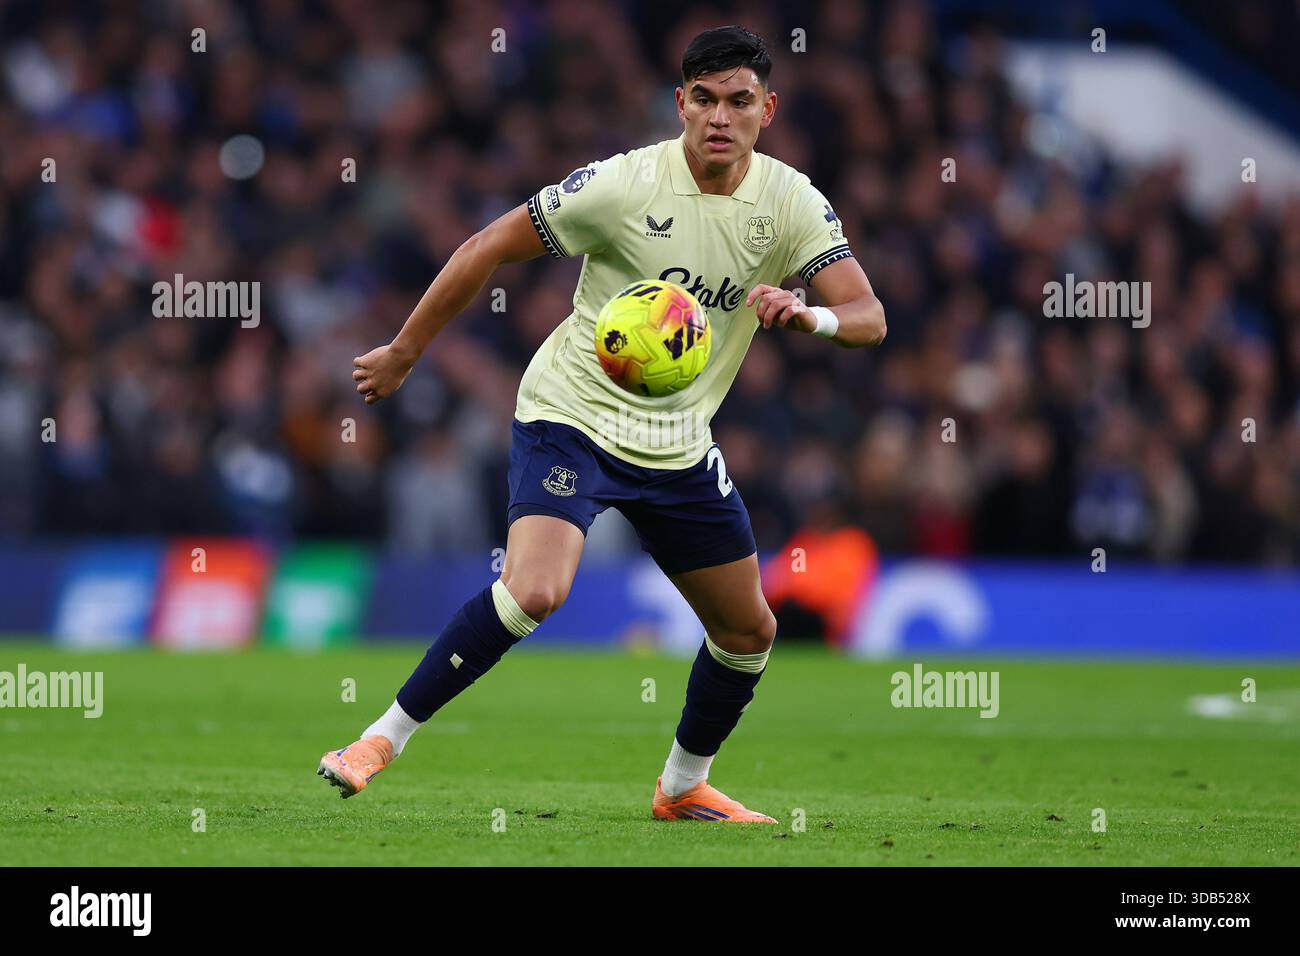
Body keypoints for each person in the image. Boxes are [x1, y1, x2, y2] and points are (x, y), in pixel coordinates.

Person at [319, 25, 886, 822]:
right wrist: (405, 353)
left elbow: (869, 315)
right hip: (572, 415)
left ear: (768, 110)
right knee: (536, 590)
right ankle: (379, 740)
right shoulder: (622, 186)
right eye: (706, 100)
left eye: (741, 101)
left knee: (750, 630)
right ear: (680, 103)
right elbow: (487, 245)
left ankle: (683, 786)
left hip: (678, 443)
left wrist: (808, 316)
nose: (721, 117)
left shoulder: (791, 202)